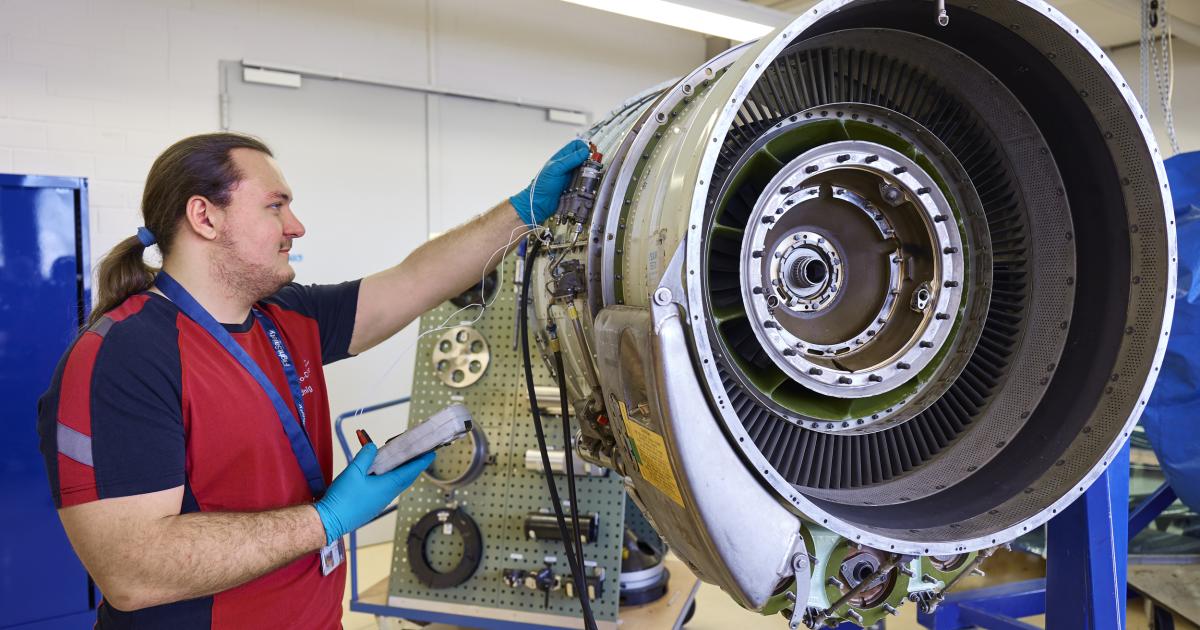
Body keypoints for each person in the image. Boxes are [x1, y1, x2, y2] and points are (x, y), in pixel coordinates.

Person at [36, 132, 589, 628]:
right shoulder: (122, 356)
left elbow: (417, 279)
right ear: (204, 217)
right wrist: (328, 519)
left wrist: (524, 209)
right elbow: (134, 573)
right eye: (276, 207)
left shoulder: (285, 316)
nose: (296, 227)